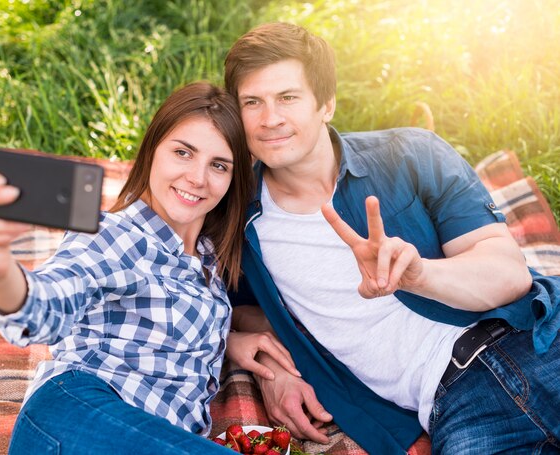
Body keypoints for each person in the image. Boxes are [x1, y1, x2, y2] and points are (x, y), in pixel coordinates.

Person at [222, 22, 560, 454]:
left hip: (535, 339)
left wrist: (419, 275)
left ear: (326, 104)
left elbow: (508, 273)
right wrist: (272, 365)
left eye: (288, 97)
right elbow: (232, 309)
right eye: (253, 102)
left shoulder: (412, 155)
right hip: (457, 405)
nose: (270, 119)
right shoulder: (239, 224)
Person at [0, 82, 297, 454]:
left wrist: (226, 341)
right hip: (74, 415)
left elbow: (163, 332)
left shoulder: (209, 256)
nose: (197, 178)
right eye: (182, 152)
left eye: (218, 165)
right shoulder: (116, 236)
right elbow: (50, 301)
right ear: (152, 151)